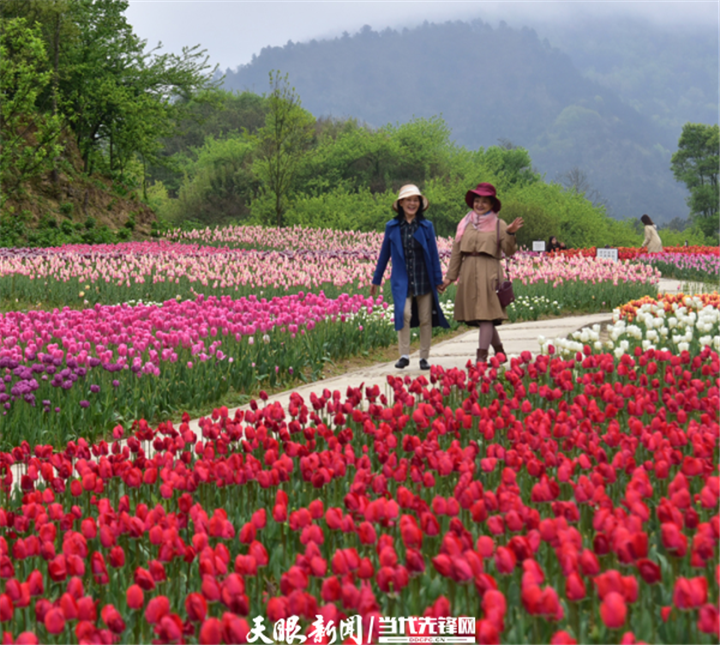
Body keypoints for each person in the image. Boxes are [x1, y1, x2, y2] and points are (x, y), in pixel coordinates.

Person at [439, 183, 524, 364]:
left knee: (485, 315)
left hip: (489, 272)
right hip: (468, 271)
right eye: (477, 201)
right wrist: (449, 278)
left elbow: (509, 251)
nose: (479, 205)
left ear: (492, 204)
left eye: (484, 202)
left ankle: (481, 359)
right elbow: (457, 252)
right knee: (481, 316)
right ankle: (500, 353)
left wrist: (510, 233)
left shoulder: (499, 224)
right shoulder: (465, 224)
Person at [370, 184, 449, 370]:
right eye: (408, 200)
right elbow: (384, 255)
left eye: (415, 200)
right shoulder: (392, 227)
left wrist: (438, 280)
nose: (412, 203)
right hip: (402, 280)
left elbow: (433, 253)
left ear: (420, 204)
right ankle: (404, 354)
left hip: (424, 278)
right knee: (403, 313)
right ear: (401, 203)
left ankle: (424, 357)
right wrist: (376, 279)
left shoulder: (426, 226)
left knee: (425, 318)